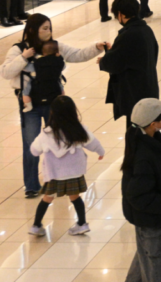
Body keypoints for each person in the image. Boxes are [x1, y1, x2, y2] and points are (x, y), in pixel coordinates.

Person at [1, 15, 105, 197]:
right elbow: (6, 72)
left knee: (60, 140)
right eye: (44, 28)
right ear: (32, 30)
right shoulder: (18, 49)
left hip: (53, 102)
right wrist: (24, 58)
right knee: (31, 144)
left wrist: (96, 47)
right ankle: (31, 186)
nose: (49, 32)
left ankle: (61, 179)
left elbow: (76, 54)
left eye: (49, 28)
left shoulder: (54, 46)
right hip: (29, 104)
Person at [120, 98, 161, 282]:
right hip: (152, 221)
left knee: (144, 258)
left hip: (146, 219)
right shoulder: (145, 155)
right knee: (157, 266)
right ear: (153, 123)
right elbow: (137, 194)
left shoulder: (142, 141)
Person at [27, 95, 104, 236]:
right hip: (73, 172)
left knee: (47, 198)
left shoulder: (46, 134)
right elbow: (93, 143)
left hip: (54, 173)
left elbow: (34, 150)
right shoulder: (78, 130)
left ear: (52, 113)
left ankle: (36, 226)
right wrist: (101, 152)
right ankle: (82, 224)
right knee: (75, 197)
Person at [99, 0, 160, 129]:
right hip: (149, 87)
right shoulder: (146, 30)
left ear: (120, 14)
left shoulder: (128, 35)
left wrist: (103, 60)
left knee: (136, 132)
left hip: (135, 94)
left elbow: (114, 63)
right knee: (148, 130)